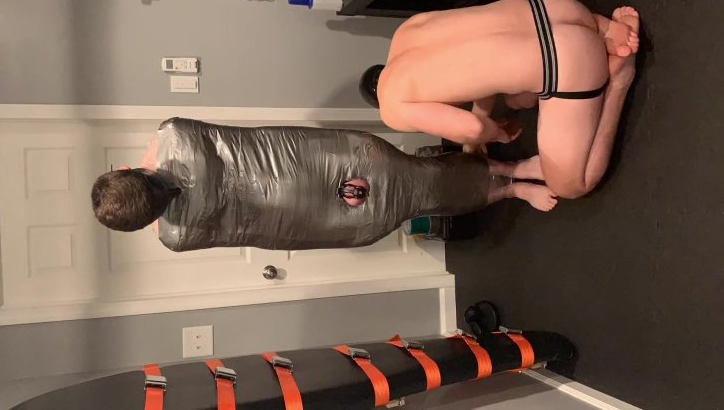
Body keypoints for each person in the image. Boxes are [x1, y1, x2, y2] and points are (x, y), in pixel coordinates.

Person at [90, 119, 555, 252]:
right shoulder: (171, 135)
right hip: (326, 201)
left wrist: (339, 185)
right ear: (127, 169)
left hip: (329, 176)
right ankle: (513, 179)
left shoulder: (172, 236)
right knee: (423, 185)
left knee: (423, 188)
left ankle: (513, 179)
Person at [361, 0, 640, 199]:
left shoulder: (392, 109)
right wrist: (478, 125)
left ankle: (618, 78)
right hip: (559, 8)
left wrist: (496, 134)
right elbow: (477, 70)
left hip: (564, 59)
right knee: (515, 99)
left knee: (569, 185)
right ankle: (605, 31)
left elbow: (473, 128)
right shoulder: (404, 32)